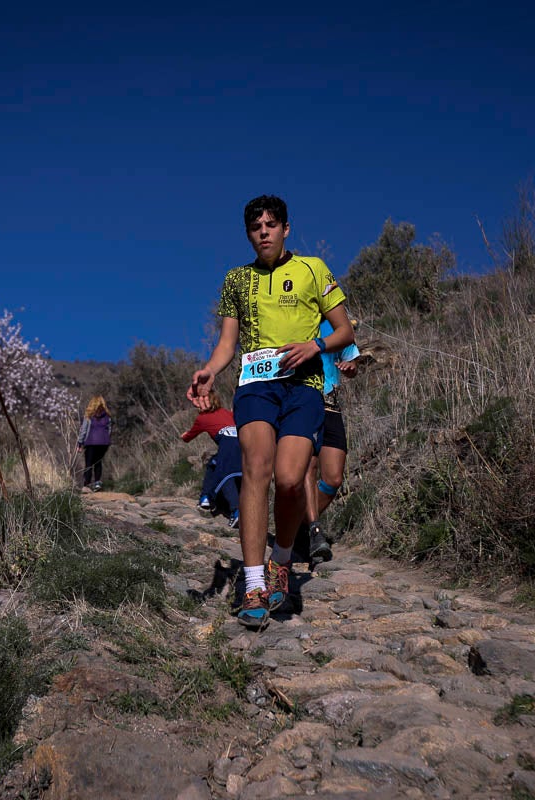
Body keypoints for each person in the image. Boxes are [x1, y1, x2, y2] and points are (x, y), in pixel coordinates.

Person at [187, 194, 354, 630]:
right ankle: (255, 581)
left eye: (271, 224)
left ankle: (282, 558)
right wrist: (208, 371)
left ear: (285, 229)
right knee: (256, 468)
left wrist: (314, 346)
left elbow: (344, 330)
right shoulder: (236, 280)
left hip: (304, 387)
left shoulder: (313, 269)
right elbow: (227, 343)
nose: (263, 231)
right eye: (255, 226)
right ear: (249, 234)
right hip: (256, 386)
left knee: (289, 478)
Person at [295, 317, 363, 566]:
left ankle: (299, 524)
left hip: (331, 406)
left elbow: (352, 360)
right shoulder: (296, 321)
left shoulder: (337, 327)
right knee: (309, 468)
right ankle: (314, 531)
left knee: (333, 479)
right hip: (303, 403)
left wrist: (350, 367)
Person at [181, 389, 241, 528]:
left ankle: (235, 511)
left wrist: (183, 435)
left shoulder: (202, 418)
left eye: (198, 399)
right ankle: (206, 496)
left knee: (226, 475)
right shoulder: (227, 413)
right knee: (214, 463)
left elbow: (188, 437)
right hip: (243, 442)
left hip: (228, 444)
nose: (195, 402)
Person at [76, 395, 111, 491]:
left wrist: (80, 443)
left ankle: (86, 485)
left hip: (91, 442)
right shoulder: (107, 416)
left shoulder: (89, 416)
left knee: (89, 463)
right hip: (104, 443)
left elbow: (83, 430)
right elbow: (109, 430)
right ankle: (97, 484)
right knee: (98, 462)